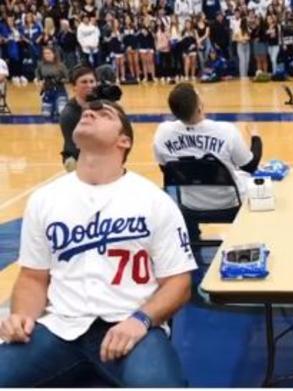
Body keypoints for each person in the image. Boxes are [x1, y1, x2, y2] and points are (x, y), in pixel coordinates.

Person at [0, 99, 196, 387]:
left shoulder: (155, 201)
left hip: (131, 325)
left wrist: (141, 320)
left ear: (123, 141)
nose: (88, 112)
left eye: (104, 114)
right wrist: (21, 318)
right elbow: (33, 277)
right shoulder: (45, 200)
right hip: (59, 328)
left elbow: (179, 283)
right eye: (87, 112)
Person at [153, 83, 263, 241]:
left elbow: (167, 170)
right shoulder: (225, 130)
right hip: (229, 203)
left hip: (188, 204)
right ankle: (251, 241)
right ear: (199, 107)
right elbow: (251, 165)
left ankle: (192, 239)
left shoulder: (162, 132)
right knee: (262, 185)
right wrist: (255, 137)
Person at [59, 66, 97, 172]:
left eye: (92, 81)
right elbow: (75, 145)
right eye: (84, 82)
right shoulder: (68, 114)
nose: (89, 85)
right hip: (76, 156)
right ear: (74, 87)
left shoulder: (101, 104)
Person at [35, 47, 69, 118]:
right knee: (46, 115)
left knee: (61, 112)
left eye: (49, 53)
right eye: (45, 53)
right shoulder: (40, 65)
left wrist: (61, 80)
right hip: (48, 90)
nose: (47, 55)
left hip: (60, 90)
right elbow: (38, 76)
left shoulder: (61, 65)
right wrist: (39, 81)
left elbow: (68, 78)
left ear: (54, 54)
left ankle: (58, 108)